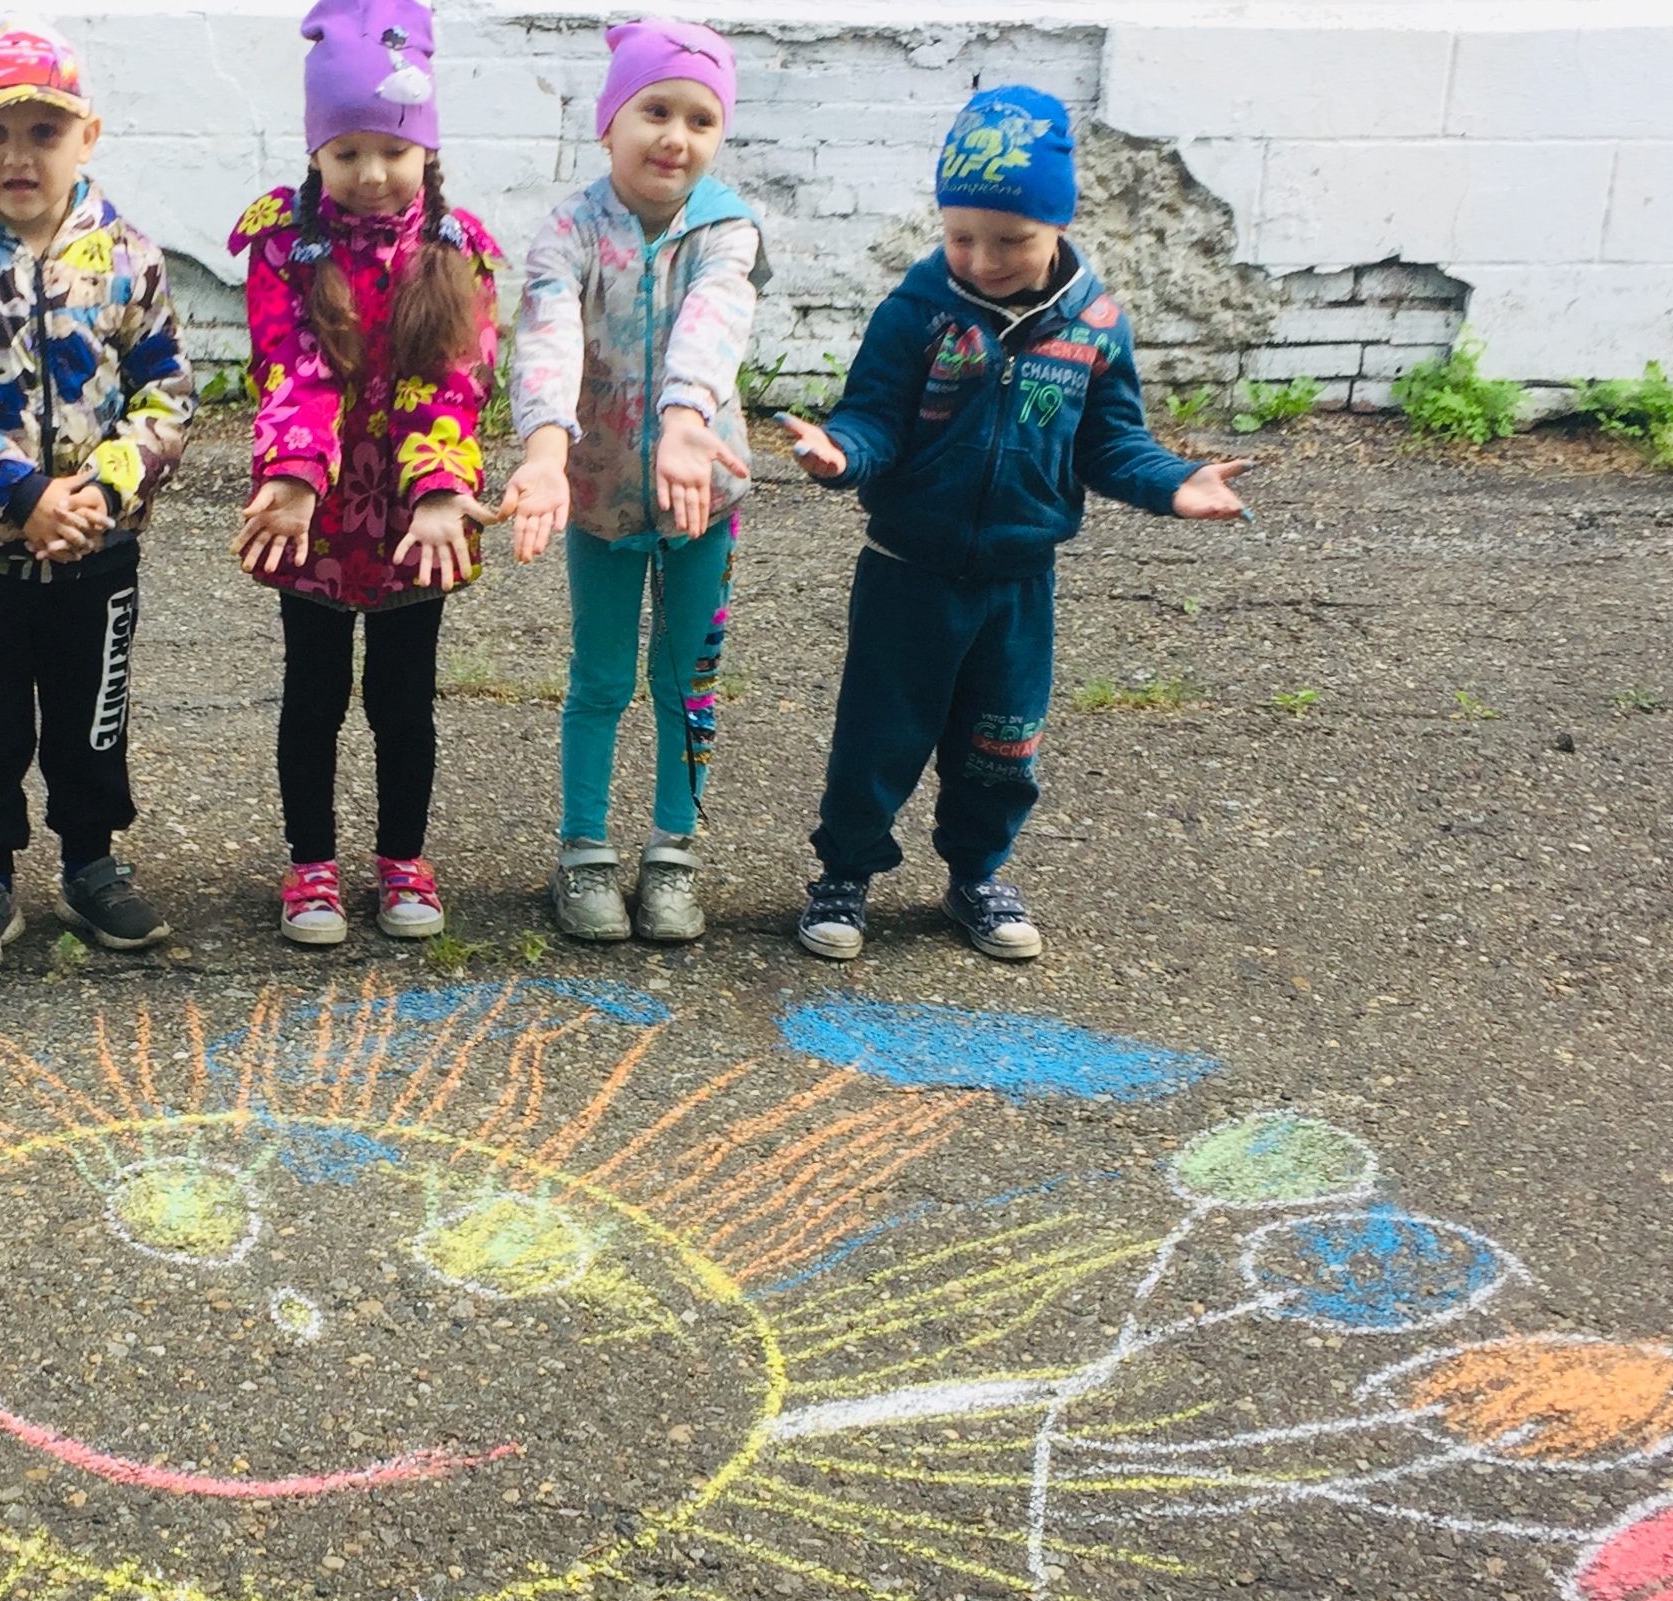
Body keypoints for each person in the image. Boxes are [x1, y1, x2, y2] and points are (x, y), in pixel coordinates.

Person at [776, 85, 1252, 963]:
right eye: (961, 237)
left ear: (1058, 227)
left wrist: (1175, 484)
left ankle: (976, 875)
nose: (983, 258)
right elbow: (873, 417)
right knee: (879, 734)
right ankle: (845, 872)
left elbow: (1112, 445)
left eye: (1010, 240)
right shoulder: (915, 314)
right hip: (907, 573)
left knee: (1002, 743)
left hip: (1018, 584)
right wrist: (841, 453)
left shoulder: (1097, 327)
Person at [0, 16, 196, 976]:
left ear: (88, 138)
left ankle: (92, 862)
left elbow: (168, 394)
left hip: (99, 550)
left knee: (90, 716)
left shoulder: (129, 256)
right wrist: (22, 496)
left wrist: (102, 488)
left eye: (44, 132)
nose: (18, 154)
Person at [229, 0, 506, 947]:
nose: (372, 174)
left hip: (419, 520)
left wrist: (437, 493)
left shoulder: (458, 246)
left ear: (426, 148)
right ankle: (309, 865)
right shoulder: (284, 243)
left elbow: (456, 381)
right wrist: (296, 475)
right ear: (316, 155)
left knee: (402, 696)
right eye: (346, 152)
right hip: (309, 513)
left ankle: (401, 859)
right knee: (311, 691)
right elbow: (291, 361)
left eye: (392, 150)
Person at [500, 18, 764, 945]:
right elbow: (547, 334)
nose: (675, 137)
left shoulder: (727, 226)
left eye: (700, 119)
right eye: (655, 110)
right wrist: (542, 450)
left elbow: (714, 319)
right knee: (601, 677)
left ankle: (673, 852)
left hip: (703, 495)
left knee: (687, 678)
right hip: (598, 495)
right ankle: (583, 853)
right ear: (610, 121)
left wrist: (686, 420)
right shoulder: (571, 229)